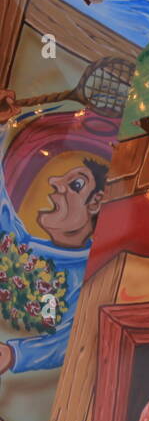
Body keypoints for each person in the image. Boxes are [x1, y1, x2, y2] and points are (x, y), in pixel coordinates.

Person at [0, 88, 104, 374]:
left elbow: (70, 341)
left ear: (97, 203)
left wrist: (14, 354)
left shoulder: (89, 277)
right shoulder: (15, 237)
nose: (56, 181)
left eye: (76, 184)